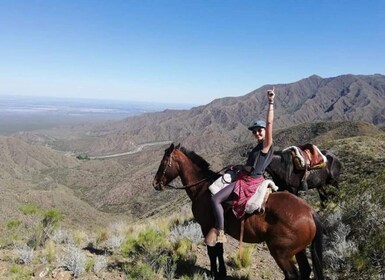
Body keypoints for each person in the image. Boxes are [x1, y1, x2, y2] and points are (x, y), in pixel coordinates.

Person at [210, 88, 275, 243]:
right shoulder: (259, 147)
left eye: (260, 130)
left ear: (265, 131)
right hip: (250, 176)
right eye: (255, 132)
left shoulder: (266, 145)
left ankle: (220, 231)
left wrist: (271, 102)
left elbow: (270, 123)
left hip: (248, 183)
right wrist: (240, 167)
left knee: (215, 200)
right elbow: (253, 166)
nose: (257, 133)